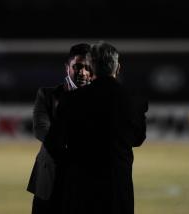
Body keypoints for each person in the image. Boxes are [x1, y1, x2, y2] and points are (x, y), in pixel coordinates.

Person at [44, 41, 147, 214]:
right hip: (118, 186)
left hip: (80, 187)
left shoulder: (71, 100)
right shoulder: (134, 100)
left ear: (92, 67)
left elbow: (54, 144)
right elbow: (138, 139)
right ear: (118, 68)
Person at [26, 43, 92, 214]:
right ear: (67, 68)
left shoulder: (101, 100)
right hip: (49, 182)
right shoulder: (47, 95)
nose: (82, 72)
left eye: (87, 67)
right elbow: (41, 130)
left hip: (85, 183)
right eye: (77, 66)